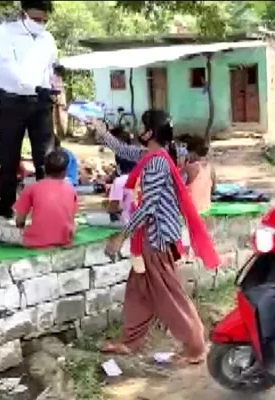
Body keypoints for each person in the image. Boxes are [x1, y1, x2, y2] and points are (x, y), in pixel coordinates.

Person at [91, 109, 220, 364]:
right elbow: (126, 151)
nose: (139, 130)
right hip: (152, 236)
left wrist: (121, 236)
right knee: (138, 290)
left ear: (149, 132)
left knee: (169, 295)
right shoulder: (154, 155)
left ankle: (195, 347)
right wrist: (103, 133)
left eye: (143, 126)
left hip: (156, 238)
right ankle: (130, 340)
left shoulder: (157, 163)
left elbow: (148, 207)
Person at [0, 0, 58, 219]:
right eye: (36, 19)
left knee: (45, 157)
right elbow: (6, 64)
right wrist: (29, 84)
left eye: (45, 20)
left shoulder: (47, 38)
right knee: (9, 155)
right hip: (12, 101)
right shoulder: (4, 33)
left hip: (41, 100)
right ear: (23, 13)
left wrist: (54, 83)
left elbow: (50, 67)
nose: (41, 24)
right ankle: (7, 205)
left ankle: (47, 205)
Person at [0, 149, 78, 248]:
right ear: (65, 171)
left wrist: (22, 230)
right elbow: (70, 218)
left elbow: (20, 220)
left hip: (36, 240)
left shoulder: (32, 188)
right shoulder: (71, 190)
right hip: (64, 239)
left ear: (44, 168)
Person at [182, 136, 216, 214]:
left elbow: (176, 188)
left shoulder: (190, 168)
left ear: (192, 153)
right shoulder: (210, 168)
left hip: (191, 213)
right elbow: (213, 189)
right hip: (206, 210)